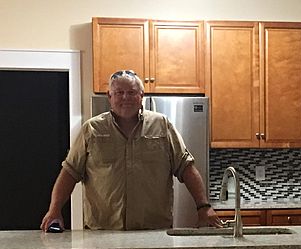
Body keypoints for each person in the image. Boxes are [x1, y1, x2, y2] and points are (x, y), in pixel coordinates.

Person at [41, 70, 221, 231]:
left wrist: (203, 207)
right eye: (119, 92)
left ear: (141, 95)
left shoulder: (162, 126)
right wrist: (54, 210)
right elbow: (70, 172)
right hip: (102, 232)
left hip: (154, 232)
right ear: (109, 96)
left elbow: (186, 168)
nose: (125, 97)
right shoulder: (92, 130)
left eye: (131, 92)